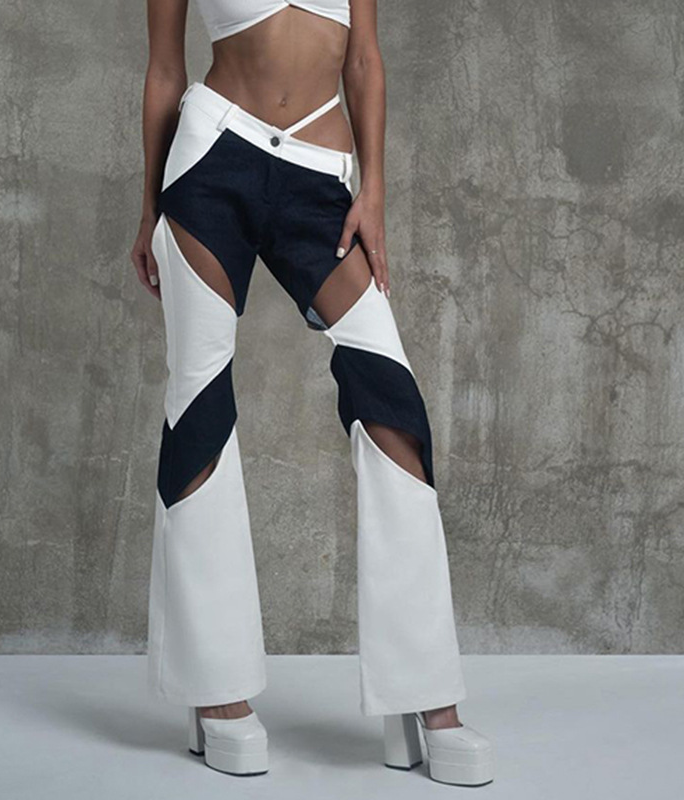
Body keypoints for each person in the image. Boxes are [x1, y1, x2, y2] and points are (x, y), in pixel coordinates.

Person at [131, 0, 494, 784]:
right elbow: (164, 69)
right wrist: (149, 206)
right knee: (200, 402)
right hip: (211, 161)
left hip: (320, 175)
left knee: (391, 405)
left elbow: (363, 57)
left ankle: (425, 693)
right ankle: (214, 686)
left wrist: (375, 191)